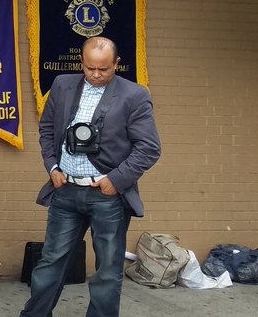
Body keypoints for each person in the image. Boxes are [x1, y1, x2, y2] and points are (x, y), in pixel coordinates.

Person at [21, 36, 161, 317]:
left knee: (107, 271)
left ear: (116, 64)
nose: (96, 74)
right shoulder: (62, 84)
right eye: (90, 68)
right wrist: (52, 167)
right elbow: (46, 128)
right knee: (50, 264)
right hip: (65, 190)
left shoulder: (135, 95)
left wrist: (115, 181)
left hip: (107, 196)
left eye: (104, 69)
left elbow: (149, 148)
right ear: (81, 62)